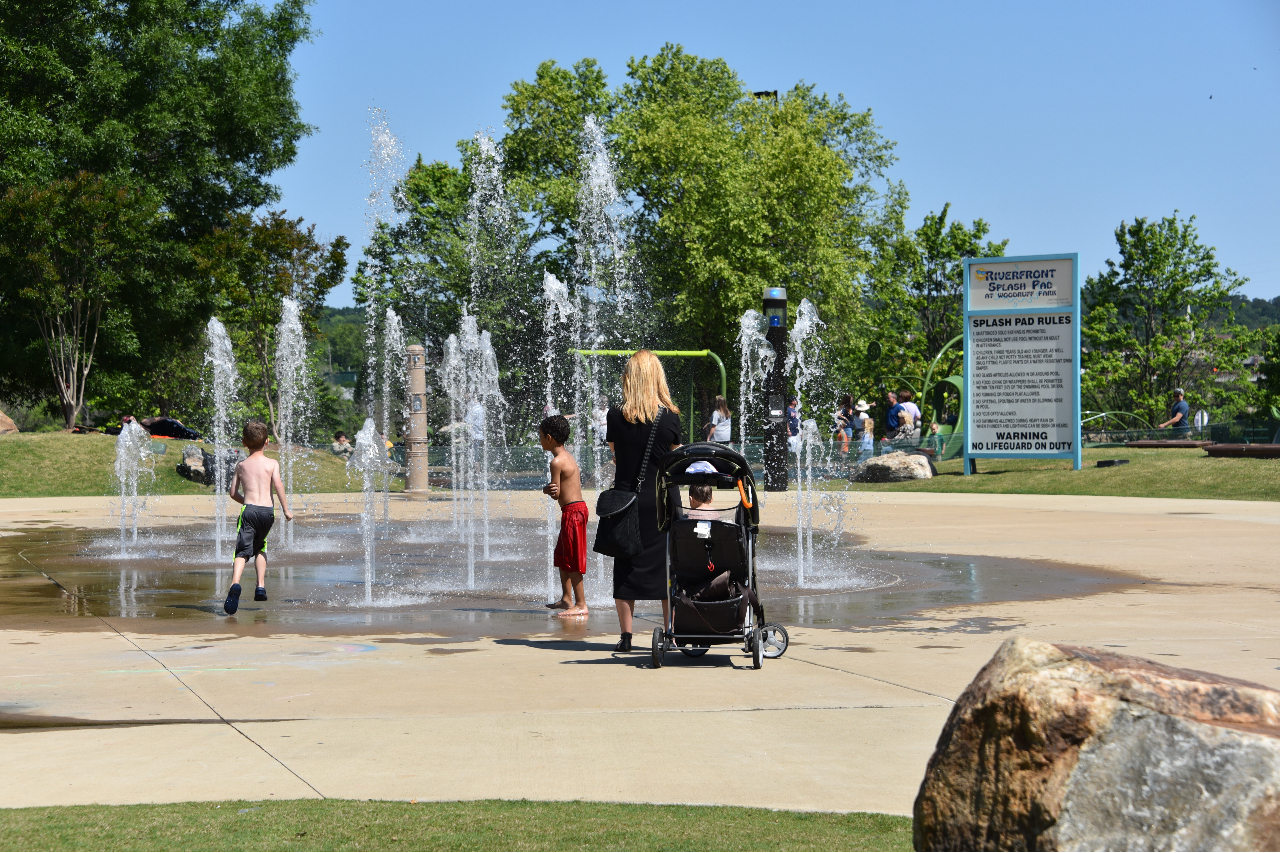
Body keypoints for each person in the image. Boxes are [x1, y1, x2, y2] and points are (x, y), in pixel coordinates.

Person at [606, 350, 683, 653]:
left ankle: (626, 637)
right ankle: (671, 632)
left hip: (627, 500)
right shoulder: (670, 418)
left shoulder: (615, 415)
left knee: (626, 566)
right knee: (668, 567)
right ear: (657, 378)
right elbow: (676, 459)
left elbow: (615, 456)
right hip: (662, 500)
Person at [224, 421, 293, 615]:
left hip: (249, 510)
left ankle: (235, 584)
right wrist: (286, 510)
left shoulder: (241, 465)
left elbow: (232, 493)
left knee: (241, 551)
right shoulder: (272, 464)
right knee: (261, 546)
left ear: (244, 442)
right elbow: (278, 485)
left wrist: (247, 502)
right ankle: (260, 586)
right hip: (267, 512)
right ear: (267, 442)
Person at [540, 414, 589, 617]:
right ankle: (567, 598)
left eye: (541, 436)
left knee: (572, 559)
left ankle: (581, 604)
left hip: (573, 512)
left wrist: (546, 490)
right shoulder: (567, 456)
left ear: (549, 437)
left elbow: (556, 493)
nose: (540, 440)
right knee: (562, 555)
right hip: (575, 510)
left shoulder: (557, 462)